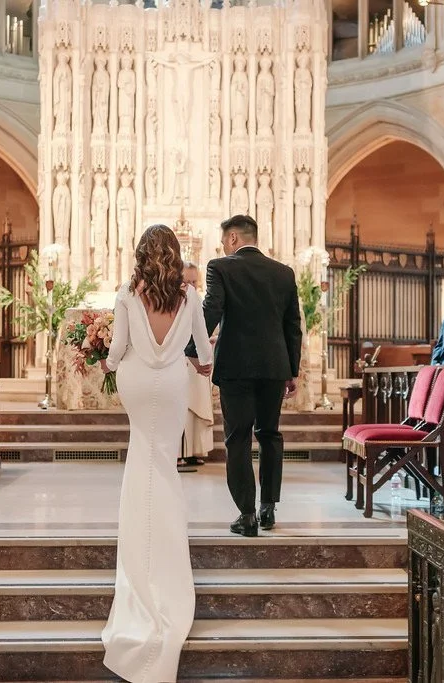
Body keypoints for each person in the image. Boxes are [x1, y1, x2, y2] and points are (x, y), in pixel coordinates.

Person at [100, 224, 213, 683]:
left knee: (140, 462)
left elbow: (117, 349)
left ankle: (139, 558)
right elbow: (203, 352)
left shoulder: (128, 294)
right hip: (170, 385)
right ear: (175, 253)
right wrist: (201, 362)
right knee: (163, 464)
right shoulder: (189, 296)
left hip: (135, 381)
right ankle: (166, 555)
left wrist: (104, 364)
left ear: (142, 254)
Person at [186, 214, 302, 537]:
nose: (223, 247)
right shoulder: (283, 273)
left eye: (225, 241)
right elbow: (293, 326)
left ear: (234, 238)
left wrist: (191, 351)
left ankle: (247, 515)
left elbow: (211, 310)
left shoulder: (221, 268)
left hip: (236, 368)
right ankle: (268, 508)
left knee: (238, 439)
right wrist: (292, 370)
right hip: (274, 369)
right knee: (270, 435)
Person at [179, 261, 213, 472]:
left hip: (196, 357)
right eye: (186, 281)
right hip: (181, 357)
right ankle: (177, 452)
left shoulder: (195, 298)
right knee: (181, 408)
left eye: (194, 281)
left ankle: (194, 451)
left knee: (196, 406)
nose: (190, 285)